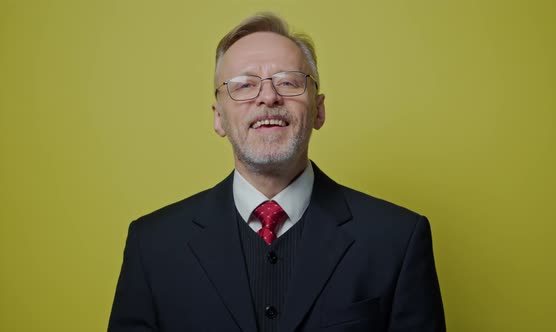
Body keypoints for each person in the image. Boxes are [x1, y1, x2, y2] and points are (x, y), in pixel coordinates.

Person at [108, 12, 445, 332]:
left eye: (288, 82)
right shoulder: (152, 246)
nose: (268, 96)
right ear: (218, 117)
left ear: (319, 110)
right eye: (243, 85)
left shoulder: (397, 240)